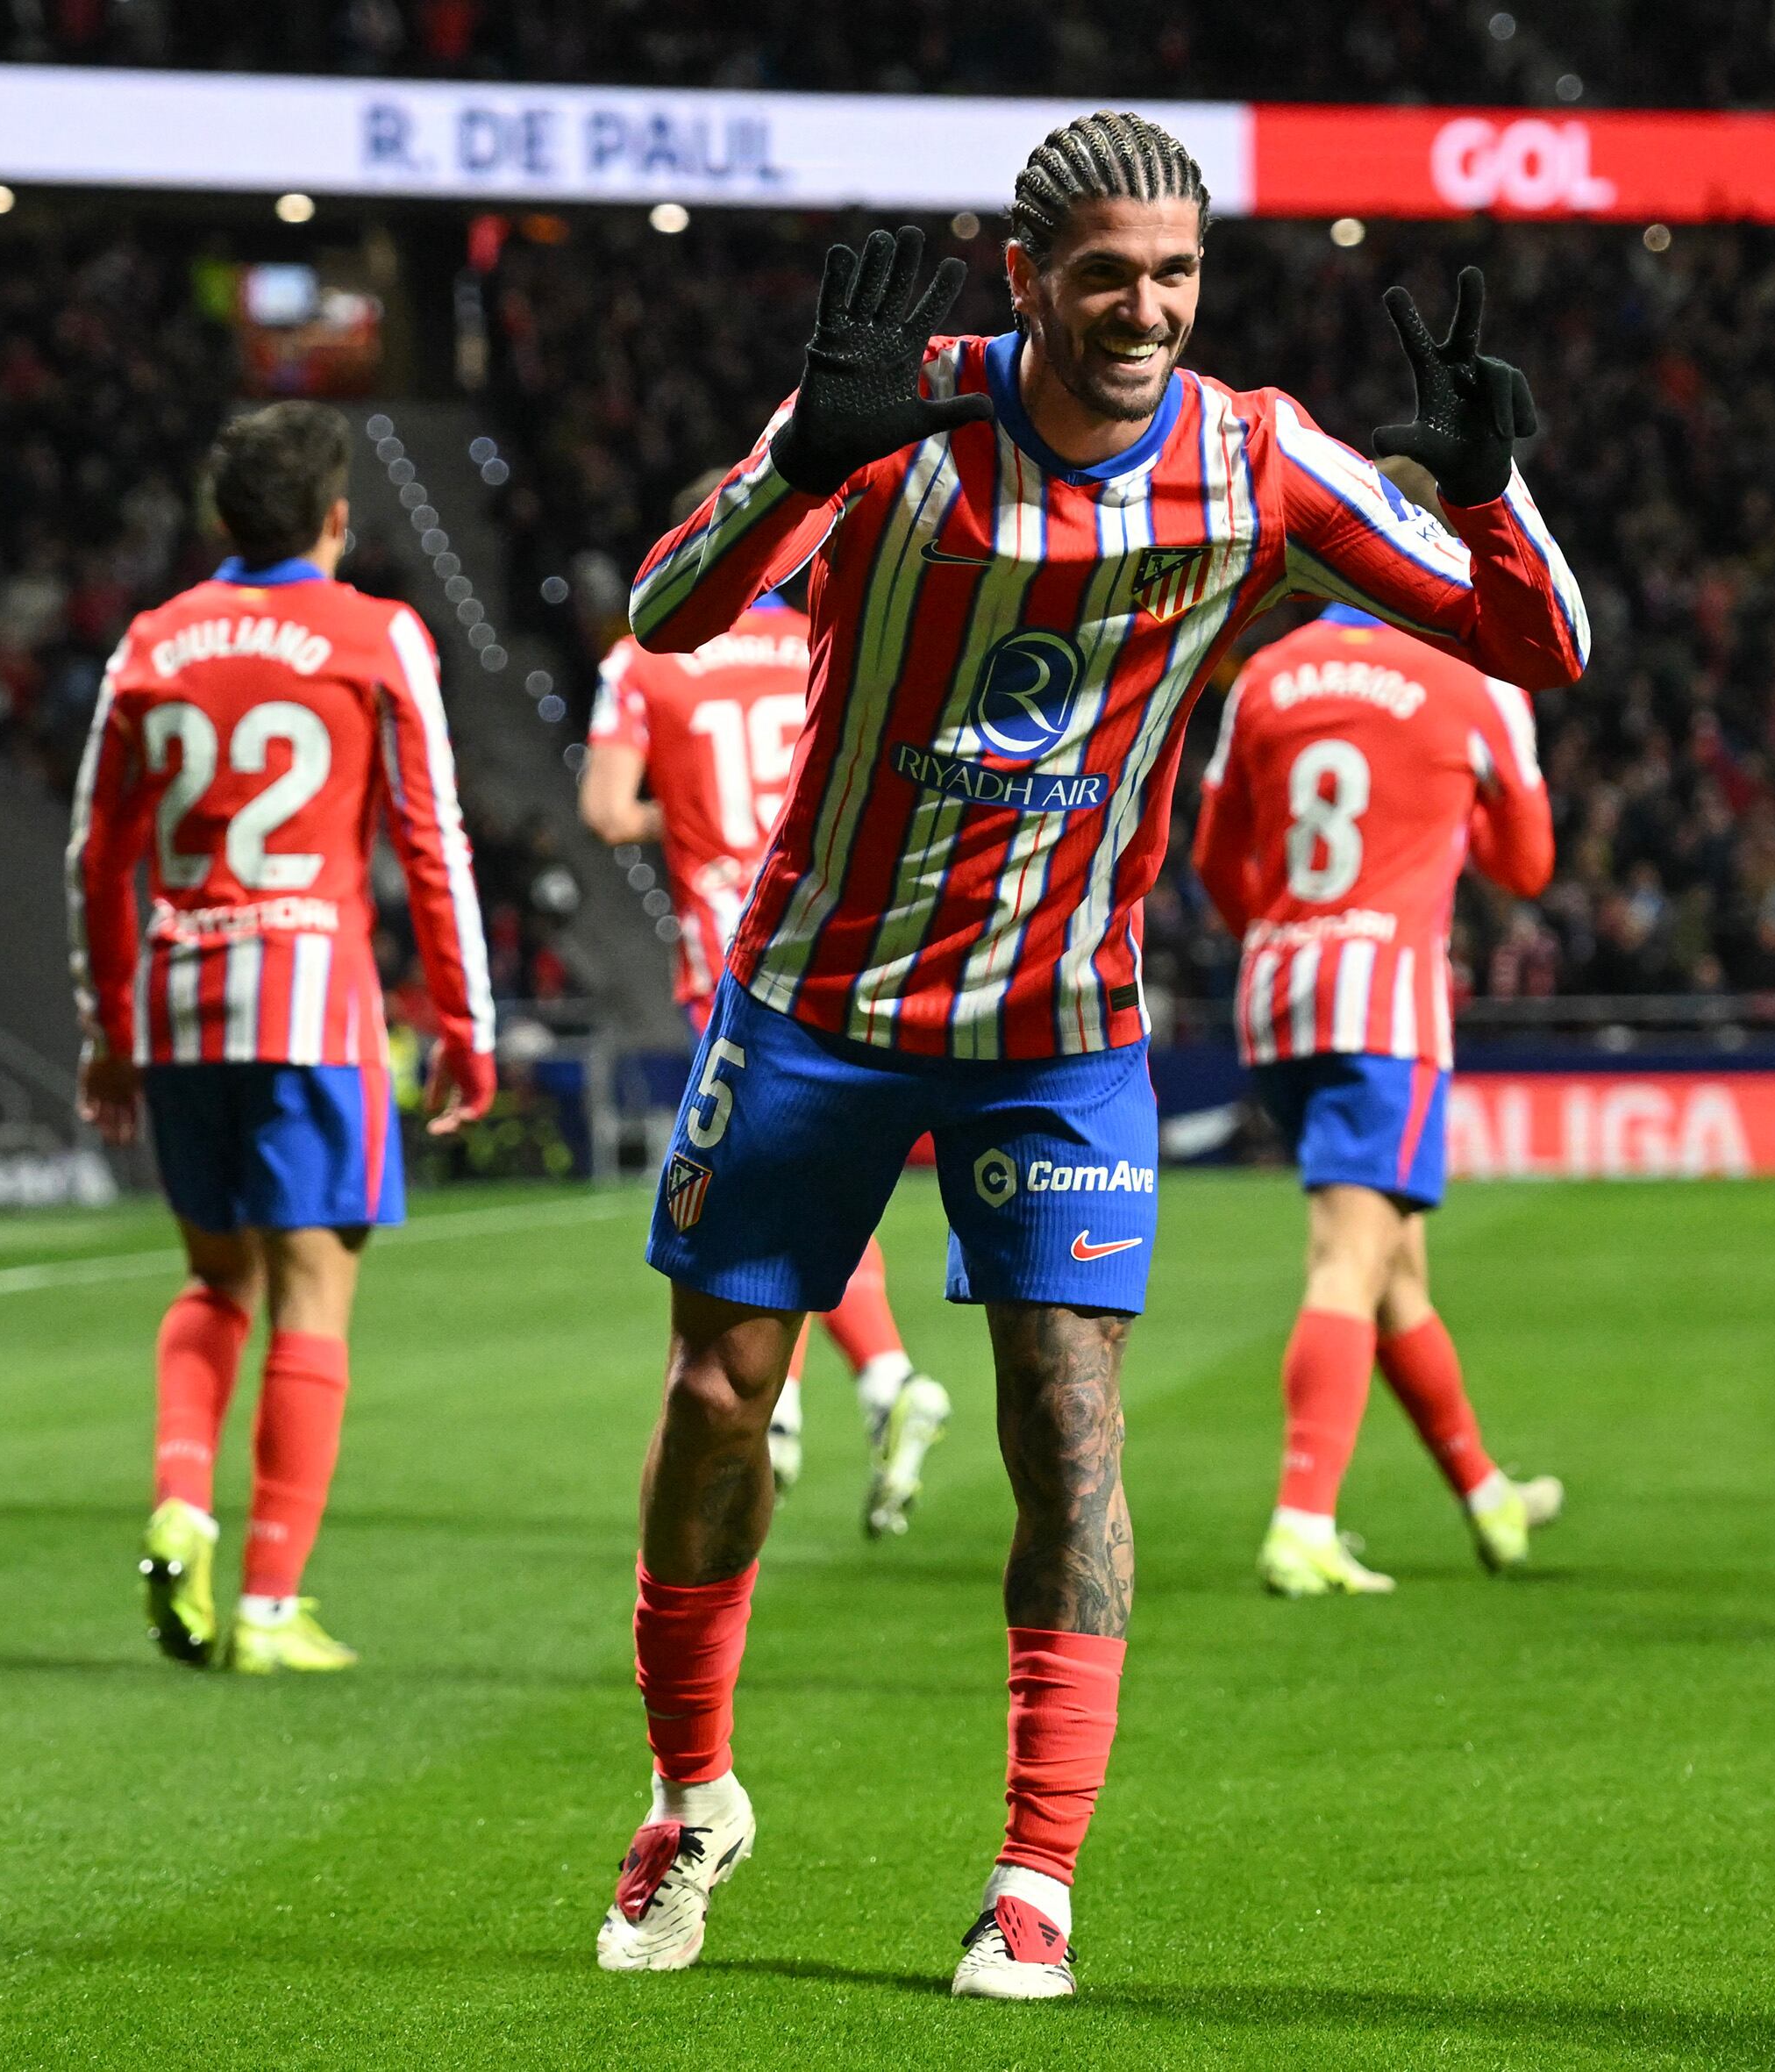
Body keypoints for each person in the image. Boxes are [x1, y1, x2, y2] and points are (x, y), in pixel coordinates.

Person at [594, 111, 1587, 1999]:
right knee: (720, 1397)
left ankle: (1032, 1877)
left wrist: (1489, 487)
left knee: (1068, 1423)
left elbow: (1539, 647)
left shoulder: (1256, 451)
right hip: (817, 998)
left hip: (1058, 1029)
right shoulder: (900, 410)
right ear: (1028, 274)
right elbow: (666, 611)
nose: (1146, 308)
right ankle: (688, 1791)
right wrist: (798, 458)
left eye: (1178, 273)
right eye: (1110, 273)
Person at [69, 402, 499, 1677]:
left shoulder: (154, 640)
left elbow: (98, 851)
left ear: (217, 521)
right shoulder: (375, 635)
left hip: (183, 993)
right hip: (313, 998)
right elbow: (431, 841)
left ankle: (179, 1497)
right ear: (333, 520)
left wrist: (106, 1021)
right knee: (314, 1296)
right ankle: (266, 1601)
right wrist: (465, 1028)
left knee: (215, 1284)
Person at [581, 473, 952, 1539]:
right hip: (845, 932)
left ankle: (840, 1392)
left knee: (744, 1192)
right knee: (807, 1174)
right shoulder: (835, 633)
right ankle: (827, 1394)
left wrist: (689, 812)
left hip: (733, 949)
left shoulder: (646, 657)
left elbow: (607, 810)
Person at [1192, 590, 1564, 1597]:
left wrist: (1283, 932)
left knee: (1396, 1267)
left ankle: (1485, 1492)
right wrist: (1459, 820)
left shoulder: (1266, 675)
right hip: (1385, 1005)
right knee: (1350, 1258)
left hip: (1278, 990)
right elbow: (1529, 866)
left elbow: (1216, 857)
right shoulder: (1474, 676)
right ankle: (1302, 1521)